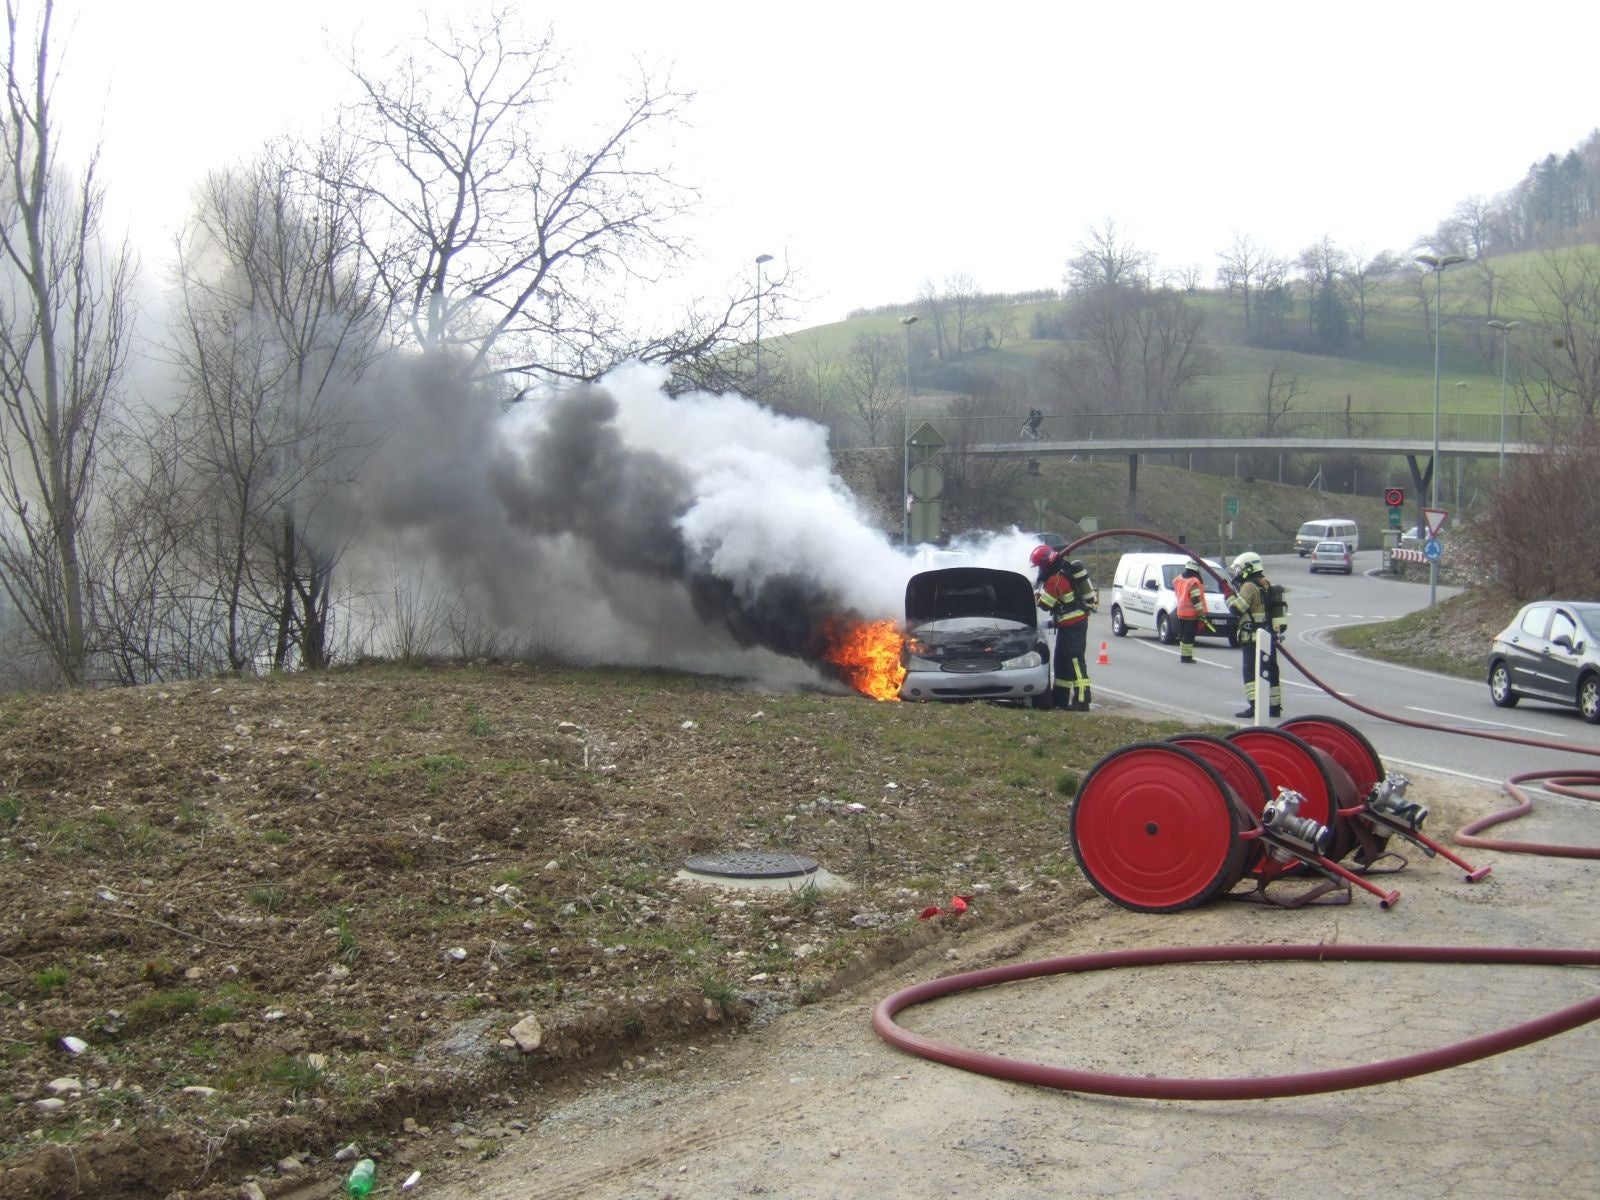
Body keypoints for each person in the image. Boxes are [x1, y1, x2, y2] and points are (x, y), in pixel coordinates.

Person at [1030, 543, 1097, 710]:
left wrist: (1034, 595)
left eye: (1039, 566)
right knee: (1061, 661)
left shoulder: (1055, 579)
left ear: (1045, 564)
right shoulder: (1057, 574)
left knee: (1075, 662)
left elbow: (1045, 604)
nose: (1038, 570)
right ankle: (1060, 698)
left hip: (1074, 625)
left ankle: (1082, 700)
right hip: (1066, 625)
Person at [1225, 550, 1288, 719]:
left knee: (1251, 674)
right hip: (1268, 638)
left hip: (1252, 639)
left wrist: (1227, 594)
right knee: (1271, 672)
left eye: (1238, 569)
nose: (1237, 573)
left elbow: (1237, 609)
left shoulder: (1249, 586)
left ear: (1247, 568)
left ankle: (1254, 706)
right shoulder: (1265, 584)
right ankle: (1274, 707)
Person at [1173, 564, 1207, 664]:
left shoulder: (1179, 579)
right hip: (1191, 614)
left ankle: (1184, 655)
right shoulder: (1193, 581)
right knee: (1189, 636)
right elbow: (1195, 599)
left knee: (1184, 635)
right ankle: (1186, 657)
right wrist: (1201, 614)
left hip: (1181, 611)